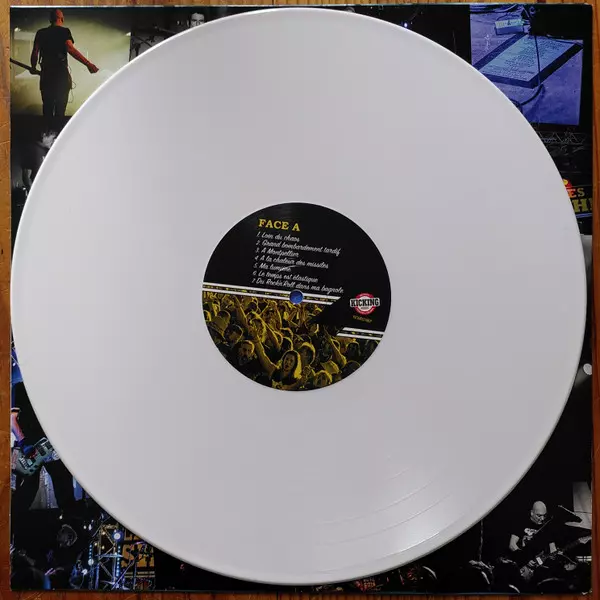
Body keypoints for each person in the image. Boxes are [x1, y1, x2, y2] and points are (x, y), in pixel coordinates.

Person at [31, 9, 99, 130]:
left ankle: (47, 135)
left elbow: (35, 52)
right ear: (62, 19)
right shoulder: (64, 32)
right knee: (60, 110)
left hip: (46, 75)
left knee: (47, 107)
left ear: (50, 19)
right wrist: (88, 64)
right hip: (60, 76)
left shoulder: (41, 33)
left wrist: (33, 67)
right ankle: (57, 135)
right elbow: (70, 49)